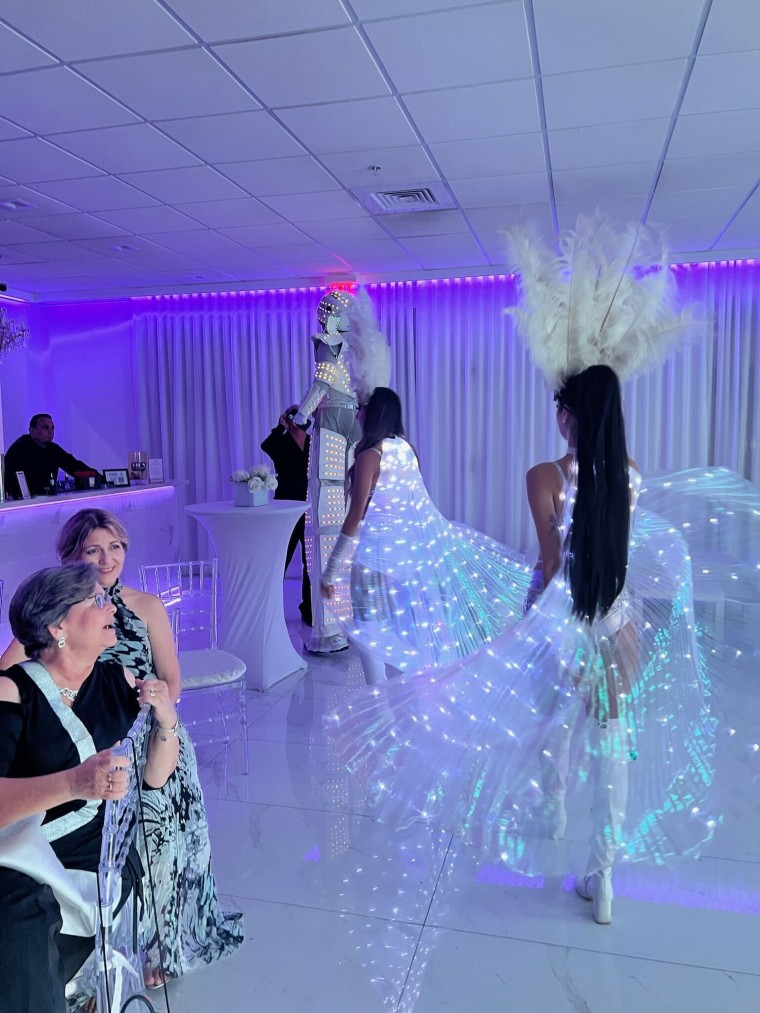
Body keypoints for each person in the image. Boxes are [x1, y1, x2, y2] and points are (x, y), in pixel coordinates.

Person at [324, 218, 719, 926]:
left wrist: (522, 622)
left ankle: (555, 811)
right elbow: (612, 554)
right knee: (611, 734)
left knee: (552, 728)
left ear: (570, 416)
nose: (558, 417)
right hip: (619, 619)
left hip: (562, 620)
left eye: (561, 409)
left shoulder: (544, 476)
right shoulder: (631, 473)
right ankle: (604, 880)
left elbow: (546, 563)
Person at [0, 508, 243, 986]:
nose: (107, 559)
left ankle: (154, 945)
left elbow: (170, 678)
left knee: (157, 842)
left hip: (143, 731)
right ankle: (94, 966)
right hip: (86, 753)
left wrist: (158, 716)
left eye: (115, 547)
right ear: (72, 558)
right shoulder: (54, 618)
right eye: (93, 550)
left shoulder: (144, 609)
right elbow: (17, 669)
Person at [0, 562, 179, 1013]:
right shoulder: (11, 691)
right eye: (96, 600)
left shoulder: (117, 680)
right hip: (25, 850)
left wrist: (165, 722)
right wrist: (74, 783)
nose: (110, 606)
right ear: (57, 625)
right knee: (22, 914)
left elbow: (155, 778)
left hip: (96, 848)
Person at [320, 387, 530, 685]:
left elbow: (354, 518)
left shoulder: (370, 455)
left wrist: (330, 573)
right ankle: (410, 699)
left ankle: (380, 707)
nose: (358, 412)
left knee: (370, 639)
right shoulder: (408, 450)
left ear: (375, 412)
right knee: (403, 635)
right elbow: (416, 507)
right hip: (404, 563)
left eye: (362, 406)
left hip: (373, 563)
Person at [293, 288, 391, 654]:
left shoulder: (328, 345)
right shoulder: (357, 354)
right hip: (350, 432)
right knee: (341, 526)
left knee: (321, 531)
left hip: (331, 433)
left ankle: (325, 628)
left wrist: (302, 417)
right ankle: (337, 621)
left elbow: (320, 385)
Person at [261, 405, 312, 625]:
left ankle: (309, 609)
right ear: (290, 420)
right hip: (287, 509)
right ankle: (266, 608)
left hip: (309, 509)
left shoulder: (313, 443)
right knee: (280, 558)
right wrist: (279, 427)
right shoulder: (280, 443)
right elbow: (266, 445)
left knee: (309, 562)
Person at [3, 413, 96, 498]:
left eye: (52, 428)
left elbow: (73, 465)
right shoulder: (19, 449)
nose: (50, 432)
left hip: (46, 500)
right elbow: (8, 481)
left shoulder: (53, 449)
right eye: (45, 428)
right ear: (32, 430)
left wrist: (100, 477)